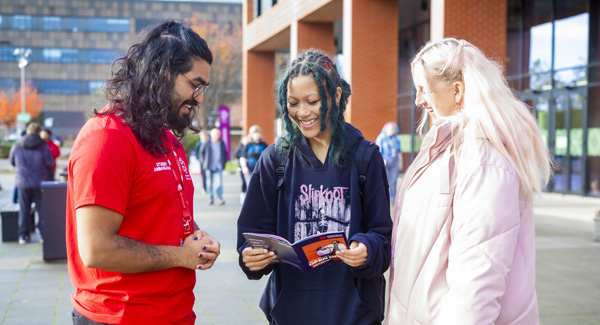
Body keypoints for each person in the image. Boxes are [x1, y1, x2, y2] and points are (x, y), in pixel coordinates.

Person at [66, 20, 221, 325]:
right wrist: (181, 255)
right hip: (118, 317)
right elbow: (97, 249)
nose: (200, 98)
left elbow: (167, 215)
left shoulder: (165, 139)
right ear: (163, 74)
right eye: (195, 84)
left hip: (175, 313)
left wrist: (198, 239)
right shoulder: (106, 139)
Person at [387, 38, 552, 324]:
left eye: (423, 89)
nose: (418, 100)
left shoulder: (481, 157)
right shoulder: (449, 148)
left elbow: (478, 277)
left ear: (458, 90)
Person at [236, 49, 392, 324]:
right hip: (292, 311)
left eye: (313, 101)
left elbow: (382, 236)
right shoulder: (275, 159)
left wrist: (366, 248)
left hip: (354, 313)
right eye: (293, 103)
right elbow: (251, 236)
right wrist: (251, 258)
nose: (302, 112)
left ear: (337, 96)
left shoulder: (366, 156)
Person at [9, 122, 54, 244]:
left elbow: (12, 161)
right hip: (40, 182)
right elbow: (50, 163)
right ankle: (42, 234)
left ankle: (24, 235)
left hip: (22, 182)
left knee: (24, 210)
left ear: (28, 131)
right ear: (39, 132)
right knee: (41, 209)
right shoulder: (43, 145)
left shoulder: (17, 144)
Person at [375, 121, 403, 202]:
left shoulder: (396, 138)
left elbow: (399, 152)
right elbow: (378, 151)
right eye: (390, 129)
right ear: (386, 129)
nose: (392, 130)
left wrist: (401, 163)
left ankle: (393, 199)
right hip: (384, 162)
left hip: (395, 162)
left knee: (393, 181)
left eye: (393, 129)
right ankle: (384, 199)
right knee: (384, 181)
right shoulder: (381, 138)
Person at [200, 128, 227, 205]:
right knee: (209, 183)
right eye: (215, 134)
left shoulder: (222, 143)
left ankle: (219, 198)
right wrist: (203, 162)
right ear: (211, 135)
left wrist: (224, 163)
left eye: (218, 134)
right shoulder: (207, 143)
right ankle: (211, 198)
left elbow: (225, 153)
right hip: (209, 166)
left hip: (218, 166)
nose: (217, 135)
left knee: (219, 183)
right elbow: (201, 153)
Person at [234, 134, 249, 203]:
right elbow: (236, 155)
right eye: (245, 139)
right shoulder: (240, 147)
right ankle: (243, 195)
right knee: (244, 182)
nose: (247, 140)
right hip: (241, 167)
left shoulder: (249, 147)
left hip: (250, 167)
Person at [195, 129, 208, 195]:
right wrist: (198, 159)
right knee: (204, 176)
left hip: (208, 161)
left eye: (204, 135)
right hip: (202, 162)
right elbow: (196, 152)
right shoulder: (199, 143)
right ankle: (204, 188)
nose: (204, 137)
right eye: (202, 136)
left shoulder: (208, 143)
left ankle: (208, 188)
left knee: (208, 175)